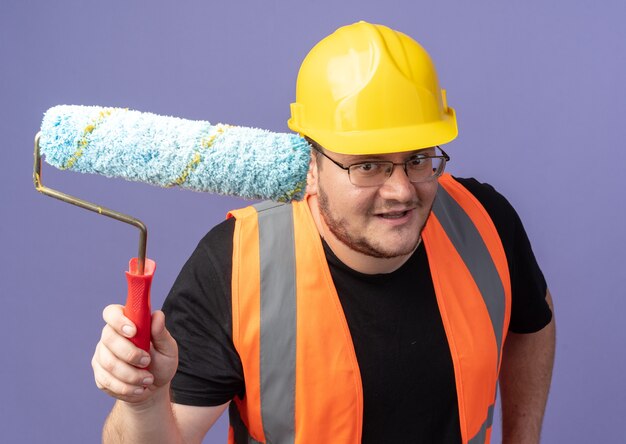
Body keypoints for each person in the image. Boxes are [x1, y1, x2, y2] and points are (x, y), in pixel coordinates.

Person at [92, 21, 555, 444]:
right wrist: (143, 403)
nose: (401, 191)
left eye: (417, 158)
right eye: (368, 164)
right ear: (309, 166)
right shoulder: (234, 270)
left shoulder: (485, 220)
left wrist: (523, 435)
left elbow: (533, 318)